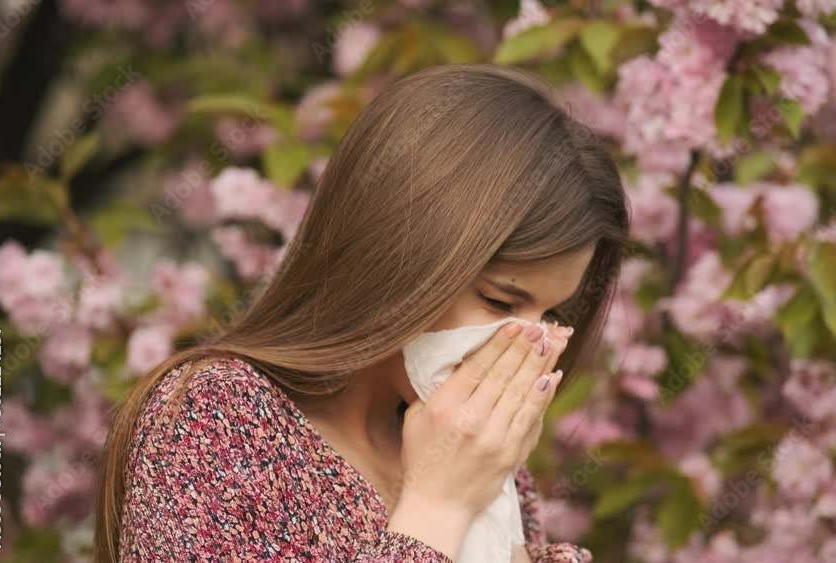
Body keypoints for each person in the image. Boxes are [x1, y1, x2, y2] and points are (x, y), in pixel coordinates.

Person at [95, 63, 629, 562]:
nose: (532, 345)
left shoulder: (488, 466)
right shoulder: (215, 418)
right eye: (500, 301)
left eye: (552, 314)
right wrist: (438, 506)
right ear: (398, 259)